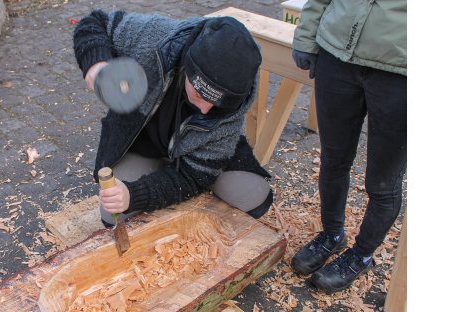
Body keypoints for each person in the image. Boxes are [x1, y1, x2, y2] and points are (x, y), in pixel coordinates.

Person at [72, 10, 274, 226]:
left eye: (217, 105)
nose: (205, 110)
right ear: (187, 67)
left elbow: (193, 177)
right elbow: (94, 23)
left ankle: (167, 175)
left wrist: (138, 193)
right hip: (143, 141)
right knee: (113, 214)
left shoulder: (235, 104)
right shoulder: (156, 36)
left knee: (255, 197)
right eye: (199, 94)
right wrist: (96, 64)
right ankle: (156, 169)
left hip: (196, 151)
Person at [290, 0, 407, 293]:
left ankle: (362, 254)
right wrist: (306, 37)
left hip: (401, 72)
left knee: (382, 182)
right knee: (334, 160)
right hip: (337, 56)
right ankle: (332, 235)